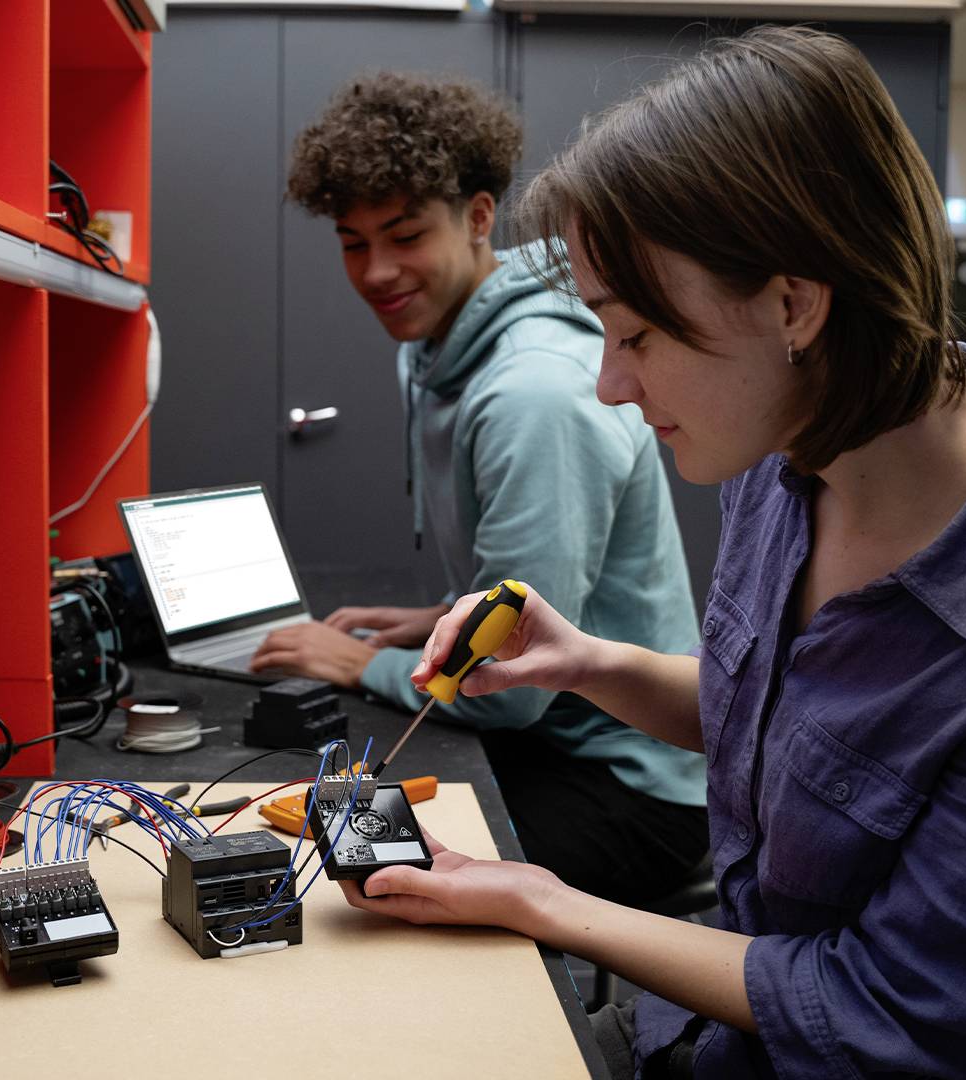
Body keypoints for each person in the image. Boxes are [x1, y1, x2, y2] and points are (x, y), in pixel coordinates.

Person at [342, 27, 966, 1079]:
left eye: (637, 336)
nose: (610, 384)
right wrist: (590, 663)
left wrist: (543, 901)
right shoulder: (792, 451)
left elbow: (896, 1018)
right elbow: (785, 721)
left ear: (793, 306)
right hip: (699, 1043)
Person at [248, 71, 710, 908]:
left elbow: (513, 698)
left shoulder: (533, 392)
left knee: (351, 879)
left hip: (624, 785)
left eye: (405, 234)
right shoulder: (435, 351)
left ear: (479, 217)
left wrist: (360, 664)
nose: (378, 271)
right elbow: (532, 600)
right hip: (548, 736)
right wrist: (434, 624)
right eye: (354, 243)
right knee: (328, 825)